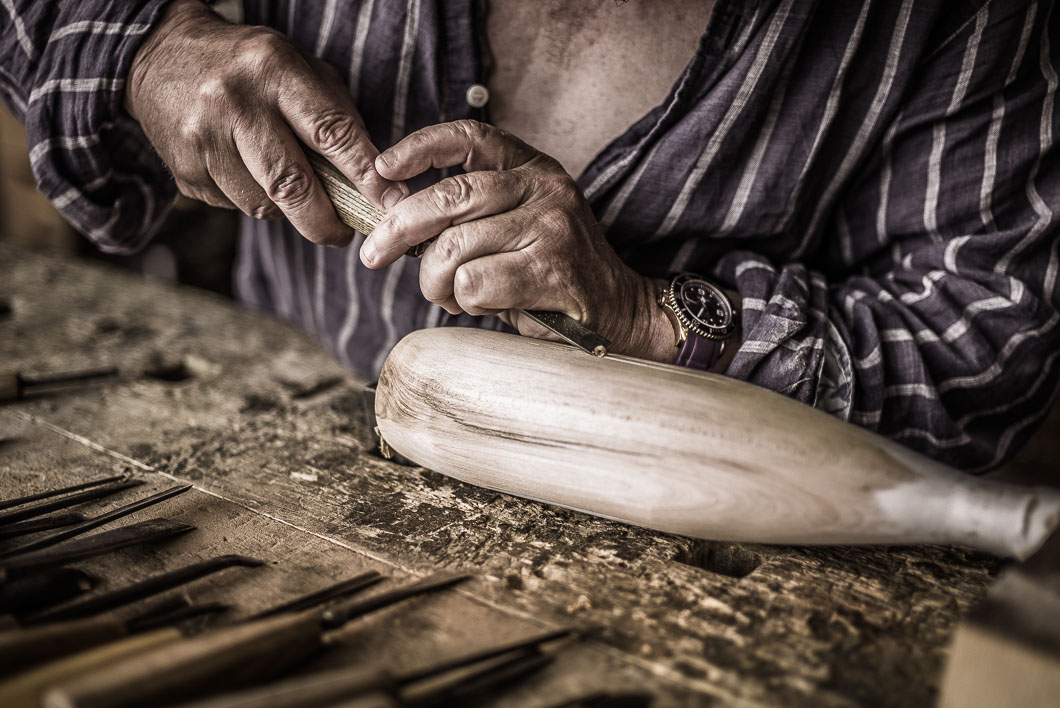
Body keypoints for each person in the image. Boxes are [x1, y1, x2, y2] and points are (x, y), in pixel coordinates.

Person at [1, 0, 1057, 472]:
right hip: (270, 449)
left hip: (689, 570)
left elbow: (980, 355)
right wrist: (145, 46)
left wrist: (650, 314)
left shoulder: (956, 22)